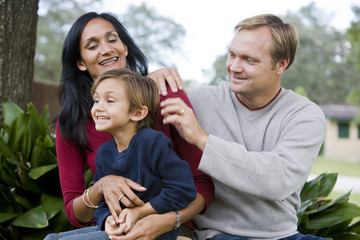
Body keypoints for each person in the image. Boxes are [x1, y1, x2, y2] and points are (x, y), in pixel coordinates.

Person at [160, 14, 327, 240]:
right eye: (232, 55)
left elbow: (277, 180)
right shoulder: (197, 102)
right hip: (219, 235)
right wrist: (153, 80)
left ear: (281, 64)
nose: (234, 67)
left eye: (249, 60)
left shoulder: (304, 115)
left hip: (283, 236)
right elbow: (130, 108)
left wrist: (202, 139)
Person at [54, 12, 214, 239]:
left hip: (171, 225)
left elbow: (201, 183)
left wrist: (165, 220)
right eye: (92, 45)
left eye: (112, 39)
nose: (107, 49)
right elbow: (75, 212)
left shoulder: (164, 94)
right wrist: (101, 190)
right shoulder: (75, 124)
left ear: (125, 48)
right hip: (116, 226)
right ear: (80, 62)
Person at [46, 68, 197, 239]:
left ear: (138, 113)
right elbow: (104, 206)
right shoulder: (104, 154)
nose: (98, 107)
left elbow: (183, 190)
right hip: (119, 229)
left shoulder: (153, 143)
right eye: (96, 100)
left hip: (152, 232)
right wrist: (107, 221)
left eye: (110, 101)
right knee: (52, 238)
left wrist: (140, 211)